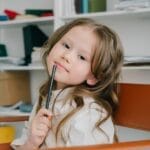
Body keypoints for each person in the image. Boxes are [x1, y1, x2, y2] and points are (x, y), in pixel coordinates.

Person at [11, 18, 124, 149]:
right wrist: (32, 142)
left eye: (82, 57)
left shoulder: (89, 115)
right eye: (66, 45)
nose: (66, 56)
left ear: (94, 76)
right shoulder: (46, 97)